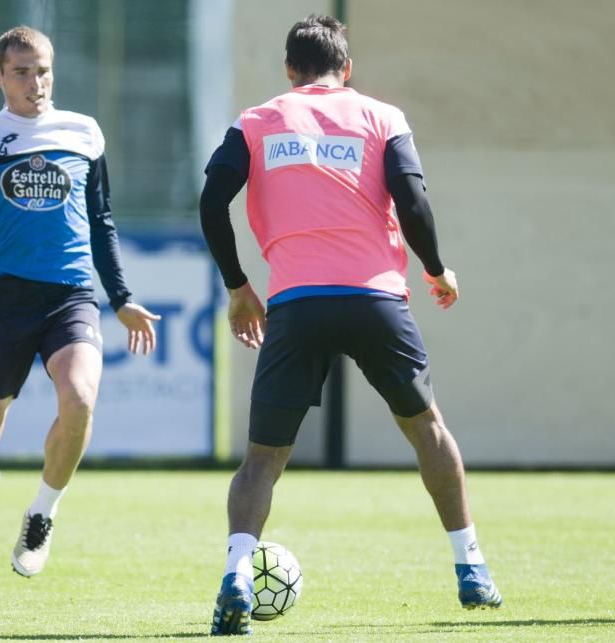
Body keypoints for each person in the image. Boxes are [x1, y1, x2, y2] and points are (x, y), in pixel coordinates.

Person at [199, 15, 502, 635]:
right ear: (348, 69)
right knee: (427, 431)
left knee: (262, 459)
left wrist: (238, 286)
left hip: (296, 302)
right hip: (375, 300)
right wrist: (437, 269)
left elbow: (211, 201)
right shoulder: (382, 117)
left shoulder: (256, 121)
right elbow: (413, 202)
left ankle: (235, 573)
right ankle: (470, 567)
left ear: (289, 69)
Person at [0, 25, 160, 597]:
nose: (34, 82)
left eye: (42, 69)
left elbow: (102, 222)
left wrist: (121, 299)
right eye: (21, 71)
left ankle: (43, 512)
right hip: (5, 303)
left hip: (71, 298)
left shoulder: (84, 132)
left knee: (81, 400)